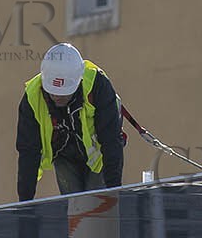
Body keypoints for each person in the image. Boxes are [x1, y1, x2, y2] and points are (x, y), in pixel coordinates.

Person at [16, 42, 125, 201]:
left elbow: (111, 140)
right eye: (52, 93)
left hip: (100, 157)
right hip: (64, 156)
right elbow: (28, 152)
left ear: (78, 82)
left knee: (98, 208)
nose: (57, 97)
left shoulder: (97, 85)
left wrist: (114, 191)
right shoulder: (32, 98)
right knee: (76, 209)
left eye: (64, 93)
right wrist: (24, 205)